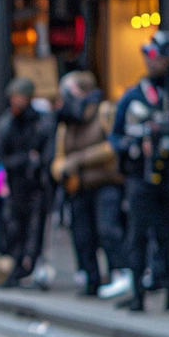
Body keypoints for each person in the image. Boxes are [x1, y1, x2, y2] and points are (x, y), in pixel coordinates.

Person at [111, 30, 169, 311]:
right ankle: (137, 293)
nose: (152, 62)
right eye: (148, 56)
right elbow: (115, 136)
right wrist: (131, 145)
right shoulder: (134, 96)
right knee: (137, 236)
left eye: (156, 56)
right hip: (140, 178)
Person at [52, 71, 130, 298]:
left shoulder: (104, 112)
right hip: (78, 187)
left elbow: (113, 145)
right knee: (82, 234)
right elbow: (58, 157)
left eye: (70, 91)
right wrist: (60, 169)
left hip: (106, 183)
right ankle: (90, 278)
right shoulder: (66, 123)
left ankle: (120, 272)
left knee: (108, 229)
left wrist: (77, 160)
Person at [0, 77, 55, 288]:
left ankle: (33, 265)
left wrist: (33, 161)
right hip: (16, 183)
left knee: (36, 228)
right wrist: (26, 159)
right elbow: (2, 154)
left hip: (37, 184)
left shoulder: (40, 121)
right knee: (15, 227)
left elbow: (45, 154)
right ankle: (16, 267)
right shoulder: (8, 122)